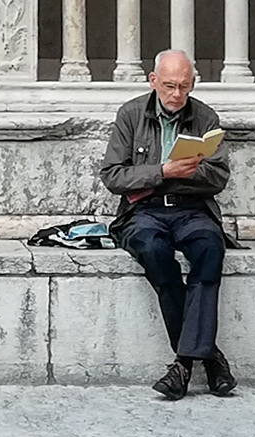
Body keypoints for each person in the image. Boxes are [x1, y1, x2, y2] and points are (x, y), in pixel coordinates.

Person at [98, 46, 236, 400]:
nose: (177, 95)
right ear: (153, 81)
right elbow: (113, 176)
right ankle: (208, 358)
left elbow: (218, 176)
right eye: (170, 86)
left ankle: (183, 366)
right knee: (155, 252)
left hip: (192, 210)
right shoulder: (130, 114)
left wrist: (181, 175)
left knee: (209, 248)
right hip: (144, 211)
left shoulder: (205, 117)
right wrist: (162, 172)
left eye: (185, 87)